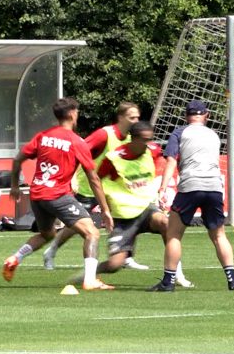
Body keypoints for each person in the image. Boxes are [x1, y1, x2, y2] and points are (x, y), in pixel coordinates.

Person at [1, 97, 115, 291]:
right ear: (71, 114)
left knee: (47, 234)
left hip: (37, 195)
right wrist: (105, 209)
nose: (78, 115)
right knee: (92, 233)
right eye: (77, 112)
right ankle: (90, 280)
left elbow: (18, 159)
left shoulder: (43, 136)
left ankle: (15, 258)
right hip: (57, 196)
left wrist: (14, 186)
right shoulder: (77, 142)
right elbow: (94, 179)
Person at [79, 121, 194, 286]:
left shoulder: (153, 150)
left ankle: (177, 275)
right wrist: (104, 207)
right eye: (144, 139)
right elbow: (96, 180)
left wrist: (158, 191)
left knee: (166, 224)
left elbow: (154, 168)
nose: (148, 144)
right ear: (132, 139)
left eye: (150, 139)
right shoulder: (113, 158)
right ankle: (89, 274)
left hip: (145, 207)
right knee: (114, 264)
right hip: (124, 215)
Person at [42, 101, 149, 271]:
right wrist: (74, 177)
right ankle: (51, 250)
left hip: (112, 189)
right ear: (121, 117)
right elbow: (80, 150)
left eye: (138, 117)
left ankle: (126, 256)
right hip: (89, 186)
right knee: (75, 226)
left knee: (128, 217)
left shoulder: (131, 139)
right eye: (132, 117)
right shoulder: (104, 134)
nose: (136, 121)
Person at [153, 100, 234, 291]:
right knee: (219, 235)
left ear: (186, 116)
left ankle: (168, 282)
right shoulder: (213, 135)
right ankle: (233, 281)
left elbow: (170, 161)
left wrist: (162, 188)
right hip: (214, 187)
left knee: (174, 234)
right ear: (206, 115)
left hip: (190, 186)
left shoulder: (180, 132)